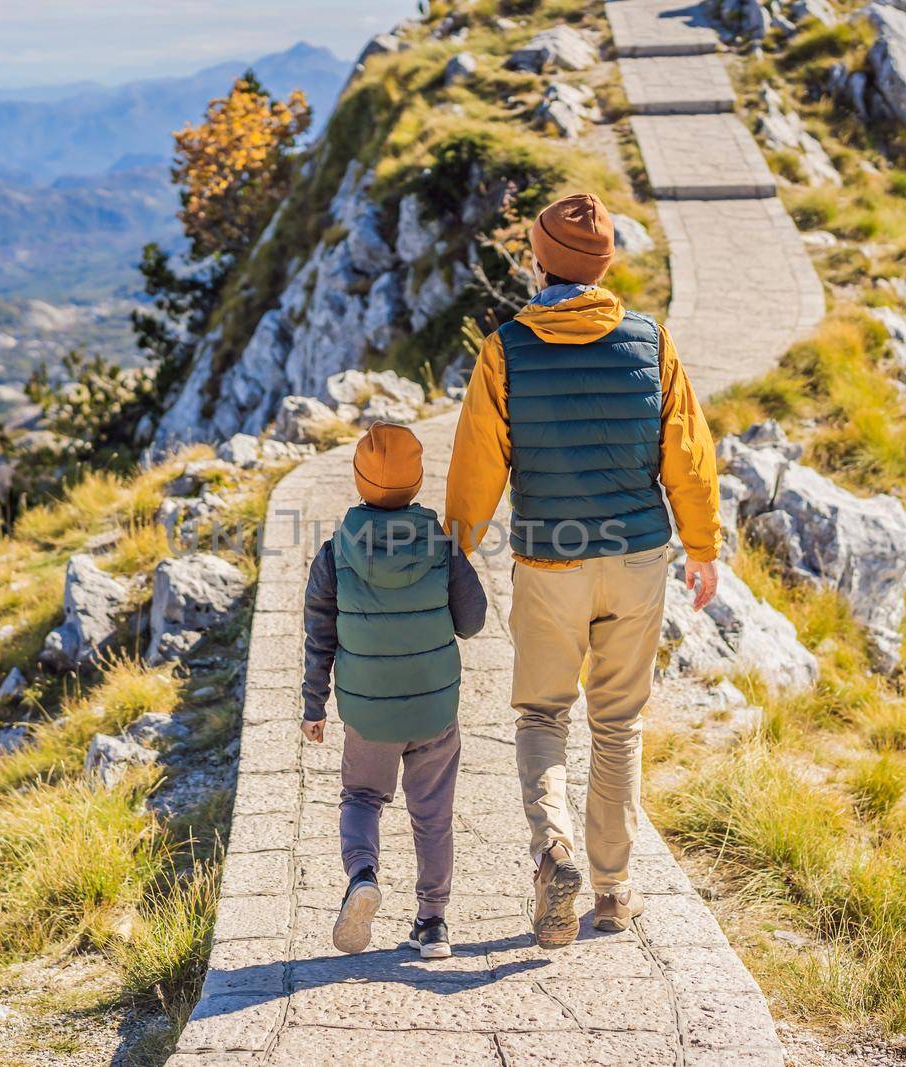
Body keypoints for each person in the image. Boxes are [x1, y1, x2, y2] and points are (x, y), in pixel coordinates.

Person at [445, 192, 722, 948]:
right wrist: (703, 546)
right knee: (617, 724)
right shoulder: (650, 340)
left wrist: (456, 549)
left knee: (542, 714)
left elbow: (477, 465)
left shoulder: (506, 346)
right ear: (605, 266)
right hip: (637, 561)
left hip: (550, 560)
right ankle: (613, 891)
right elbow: (688, 459)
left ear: (539, 262)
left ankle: (553, 850)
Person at [300, 422, 489, 960]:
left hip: (366, 711)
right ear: (418, 480)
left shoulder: (335, 553)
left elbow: (320, 635)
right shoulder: (442, 546)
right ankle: (433, 925)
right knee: (432, 814)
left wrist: (314, 705)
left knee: (362, 797)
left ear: (360, 482)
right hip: (433, 706)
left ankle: (363, 876)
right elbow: (472, 621)